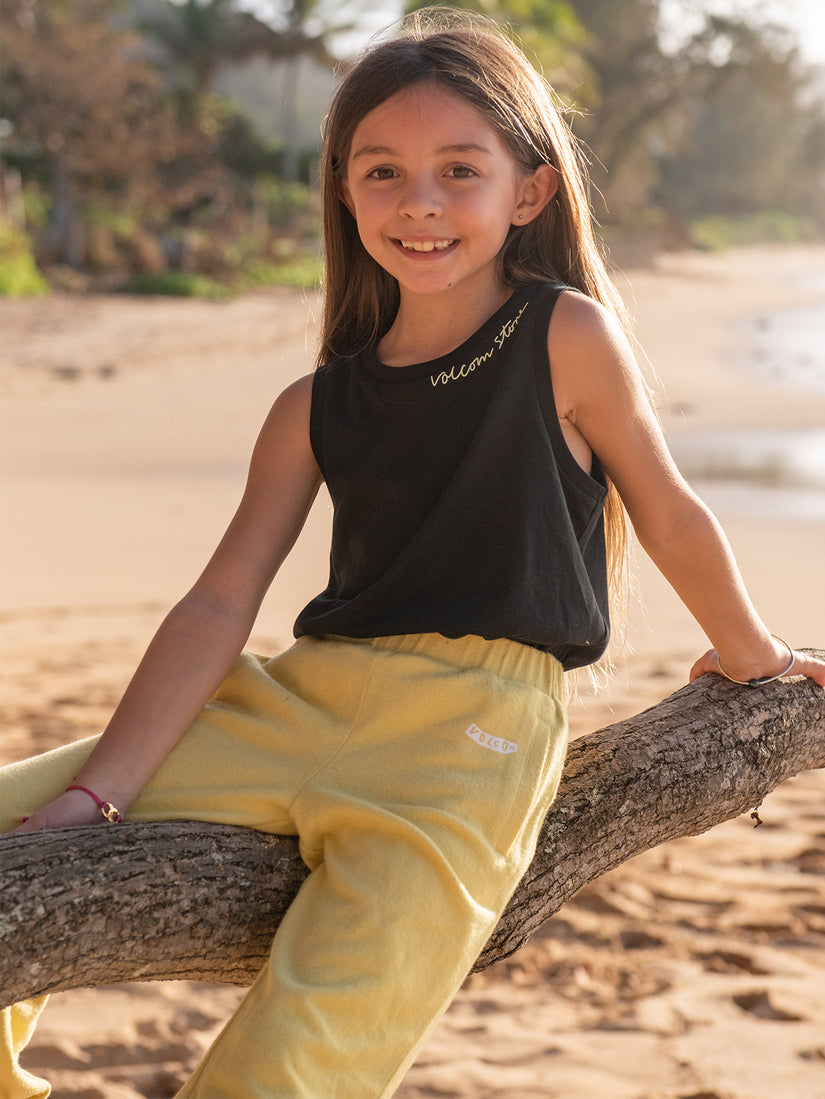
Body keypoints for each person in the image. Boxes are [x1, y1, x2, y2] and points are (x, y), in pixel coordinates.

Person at [2, 8, 824, 1098]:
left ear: (527, 191)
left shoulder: (565, 336)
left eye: (458, 170)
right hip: (295, 705)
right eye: (382, 171)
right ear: (341, 188)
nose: (419, 202)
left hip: (468, 741)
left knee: (296, 1060)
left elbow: (667, 508)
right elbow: (219, 603)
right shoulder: (312, 405)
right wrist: (99, 793)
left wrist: (751, 650)